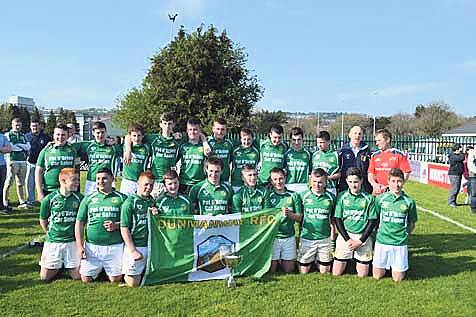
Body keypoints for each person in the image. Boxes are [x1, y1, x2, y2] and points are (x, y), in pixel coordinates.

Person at [75, 168, 127, 283]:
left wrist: (116, 225)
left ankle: (105, 269)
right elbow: (79, 222)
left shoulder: (122, 198)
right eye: (98, 179)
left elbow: (131, 221)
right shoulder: (88, 198)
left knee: (115, 279)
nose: (100, 181)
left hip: (115, 245)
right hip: (92, 246)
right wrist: (79, 246)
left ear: (112, 179)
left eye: (104, 178)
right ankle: (101, 268)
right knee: (86, 279)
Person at [373, 168, 417, 282]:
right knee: (377, 276)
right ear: (388, 182)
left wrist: (406, 234)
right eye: (393, 181)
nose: (396, 185)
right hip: (382, 241)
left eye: (399, 181)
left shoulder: (409, 202)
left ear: (403, 182)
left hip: (399, 243)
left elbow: (412, 223)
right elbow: (376, 218)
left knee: (397, 279)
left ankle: (396, 266)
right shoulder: (380, 199)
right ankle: (387, 265)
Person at [39, 168, 83, 282]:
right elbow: (43, 219)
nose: (77, 183)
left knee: (77, 276)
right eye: (74, 180)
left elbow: (83, 221)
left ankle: (65, 264)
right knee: (44, 277)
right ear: (63, 181)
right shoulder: (49, 199)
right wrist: (50, 233)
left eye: (78, 180)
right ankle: (60, 264)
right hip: (54, 241)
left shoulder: (80, 198)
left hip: (72, 241)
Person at [332, 167, 377, 278]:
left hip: (362, 237)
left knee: (362, 275)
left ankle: (355, 259)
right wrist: (348, 240)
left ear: (361, 180)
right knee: (336, 273)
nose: (353, 185)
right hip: (346, 235)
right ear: (346, 181)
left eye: (356, 182)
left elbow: (372, 222)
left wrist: (360, 241)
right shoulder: (341, 196)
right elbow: (338, 219)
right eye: (350, 182)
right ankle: (349, 258)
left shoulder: (369, 198)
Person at [127, 112, 182, 198]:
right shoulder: (152, 138)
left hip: (170, 182)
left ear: (173, 125)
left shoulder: (178, 140)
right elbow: (129, 135)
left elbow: (198, 134)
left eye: (169, 124)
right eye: (165, 124)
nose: (167, 126)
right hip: (155, 181)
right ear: (160, 124)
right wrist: (128, 150)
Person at [120, 171, 157, 287]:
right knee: (133, 284)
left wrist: (157, 215)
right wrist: (133, 250)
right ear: (138, 184)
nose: (148, 188)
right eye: (146, 184)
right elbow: (124, 228)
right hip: (136, 246)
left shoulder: (152, 201)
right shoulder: (130, 203)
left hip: (150, 245)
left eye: (151, 185)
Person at [297, 168, 335, 274]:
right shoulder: (302, 196)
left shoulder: (331, 197)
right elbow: (299, 217)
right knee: (303, 271)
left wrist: (332, 241)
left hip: (324, 239)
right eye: (314, 181)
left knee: (325, 271)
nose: (317, 185)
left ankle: (317, 259)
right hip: (307, 237)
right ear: (310, 180)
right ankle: (311, 259)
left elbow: (332, 220)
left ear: (326, 182)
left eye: (320, 182)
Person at [267, 167, 302, 274]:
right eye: (275, 179)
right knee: (271, 270)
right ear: (271, 181)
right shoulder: (268, 195)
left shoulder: (294, 195)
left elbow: (300, 218)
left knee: (289, 270)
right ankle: (277, 259)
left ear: (285, 178)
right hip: (273, 237)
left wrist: (289, 214)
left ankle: (282, 259)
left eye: (281, 178)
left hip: (289, 236)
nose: (278, 182)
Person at [74, 121, 121, 196]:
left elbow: (127, 148)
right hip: (92, 181)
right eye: (98, 133)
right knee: (89, 204)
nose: (100, 135)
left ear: (106, 132)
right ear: (93, 133)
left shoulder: (113, 147)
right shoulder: (88, 145)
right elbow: (68, 146)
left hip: (108, 181)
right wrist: (54, 143)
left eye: (103, 132)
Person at [36, 124, 77, 201]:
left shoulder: (73, 150)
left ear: (68, 136)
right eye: (58, 134)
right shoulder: (46, 150)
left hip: (68, 189)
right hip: (49, 190)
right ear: (53, 135)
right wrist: (40, 192)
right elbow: (38, 172)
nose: (60, 137)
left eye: (63, 135)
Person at [368, 129, 411, 195]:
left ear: (388, 140)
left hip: (394, 193)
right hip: (378, 192)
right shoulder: (374, 156)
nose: (377, 143)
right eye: (376, 141)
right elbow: (370, 175)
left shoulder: (399, 155)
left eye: (379, 140)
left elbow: (406, 173)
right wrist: (375, 185)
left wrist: (394, 186)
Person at [3, 118, 31, 210]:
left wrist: (19, 146)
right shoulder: (8, 135)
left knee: (20, 183)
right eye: (16, 125)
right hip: (12, 160)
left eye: (19, 125)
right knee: (9, 182)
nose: (18, 127)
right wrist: (21, 147)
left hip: (23, 161)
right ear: (12, 125)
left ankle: (22, 201)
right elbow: (11, 147)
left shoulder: (23, 135)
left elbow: (28, 147)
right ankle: (5, 201)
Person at [177, 118, 208, 195]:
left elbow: (210, 158)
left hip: (199, 183)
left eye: (195, 129)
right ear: (187, 131)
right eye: (190, 129)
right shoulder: (182, 146)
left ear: (200, 131)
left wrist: (204, 141)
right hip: (184, 183)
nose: (192, 132)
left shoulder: (204, 146)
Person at [338, 126, 372, 193]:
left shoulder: (367, 150)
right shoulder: (342, 150)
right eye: (355, 133)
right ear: (350, 135)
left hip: (363, 186)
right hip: (345, 185)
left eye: (359, 134)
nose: (357, 136)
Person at [119, 124, 150, 196]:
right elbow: (126, 136)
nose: (136, 138)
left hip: (140, 181)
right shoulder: (126, 146)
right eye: (134, 136)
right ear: (130, 136)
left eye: (139, 135)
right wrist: (128, 150)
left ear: (142, 136)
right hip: (127, 181)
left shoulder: (147, 148)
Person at [25, 120, 50, 206]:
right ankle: (30, 201)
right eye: (33, 126)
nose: (34, 128)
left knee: (44, 183)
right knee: (30, 183)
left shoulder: (45, 137)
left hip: (43, 165)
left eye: (36, 126)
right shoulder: (26, 136)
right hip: (31, 163)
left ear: (40, 126)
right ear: (30, 127)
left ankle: (44, 199)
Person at [205, 118, 234, 184]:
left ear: (226, 130)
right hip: (210, 178)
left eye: (222, 129)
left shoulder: (230, 143)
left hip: (225, 178)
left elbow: (231, 159)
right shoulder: (207, 141)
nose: (220, 132)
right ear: (213, 129)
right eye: (217, 129)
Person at [231, 128, 259, 192]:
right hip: (236, 183)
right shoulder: (235, 150)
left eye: (249, 139)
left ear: (252, 139)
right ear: (241, 139)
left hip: (250, 183)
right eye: (244, 139)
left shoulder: (256, 151)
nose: (246, 142)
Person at [312, 131, 340, 195]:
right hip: (316, 188)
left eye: (322, 142)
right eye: (318, 142)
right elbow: (312, 173)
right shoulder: (314, 155)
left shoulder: (336, 155)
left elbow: (339, 174)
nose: (319, 145)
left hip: (330, 188)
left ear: (328, 142)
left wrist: (326, 178)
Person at [284, 127, 312, 193]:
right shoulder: (286, 154)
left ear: (302, 139)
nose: (296, 142)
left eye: (299, 139)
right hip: (289, 185)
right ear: (290, 140)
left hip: (303, 185)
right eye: (294, 140)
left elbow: (311, 172)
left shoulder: (308, 154)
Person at [447, 143, 464, 207]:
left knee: (457, 188)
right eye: (460, 148)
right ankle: (451, 202)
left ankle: (453, 201)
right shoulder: (453, 155)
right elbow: (462, 158)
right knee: (454, 188)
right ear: (457, 148)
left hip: (458, 173)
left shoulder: (456, 155)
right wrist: (462, 152)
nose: (461, 149)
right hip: (454, 174)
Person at [0, 133, 11, 213]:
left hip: (2, 164)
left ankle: (1, 205)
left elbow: (8, 149)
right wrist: (2, 148)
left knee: (1, 186)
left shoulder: (2, 137)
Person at [466, 146, 476, 213]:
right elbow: (471, 166)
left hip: (473, 175)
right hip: (473, 176)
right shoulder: (471, 155)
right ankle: (473, 208)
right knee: (474, 193)